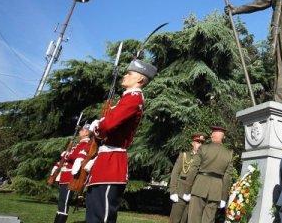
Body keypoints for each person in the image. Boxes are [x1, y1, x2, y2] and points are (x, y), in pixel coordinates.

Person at [85, 59, 157, 223]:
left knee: (101, 217)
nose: (125, 76)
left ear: (139, 79)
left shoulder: (133, 98)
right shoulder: (127, 98)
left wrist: (98, 126)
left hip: (112, 162)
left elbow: (108, 124)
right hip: (106, 160)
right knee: (94, 211)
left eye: (129, 73)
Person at [184, 126, 234, 223]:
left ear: (212, 136)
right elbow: (227, 177)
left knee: (193, 219)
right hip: (216, 190)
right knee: (208, 220)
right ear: (223, 138)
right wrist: (223, 197)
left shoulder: (203, 148)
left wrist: (187, 189)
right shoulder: (228, 154)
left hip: (199, 186)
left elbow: (193, 169)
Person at [50, 123, 92, 223]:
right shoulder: (78, 144)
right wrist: (58, 164)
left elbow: (78, 157)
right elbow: (67, 159)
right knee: (61, 203)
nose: (79, 132)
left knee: (64, 203)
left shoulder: (86, 144)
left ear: (86, 133)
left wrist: (67, 155)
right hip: (64, 176)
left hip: (71, 177)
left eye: (81, 130)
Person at [168, 131, 206, 223]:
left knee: (186, 220)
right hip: (181, 191)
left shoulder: (205, 159)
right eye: (198, 142)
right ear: (192, 143)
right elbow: (175, 173)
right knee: (175, 219)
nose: (200, 145)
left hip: (195, 192)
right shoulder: (184, 155)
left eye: (202, 143)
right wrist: (173, 191)